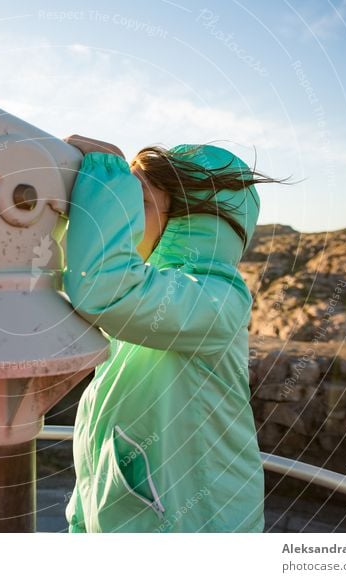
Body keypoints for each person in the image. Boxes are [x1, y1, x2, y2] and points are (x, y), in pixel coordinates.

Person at [61, 135, 286, 533]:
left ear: (188, 222)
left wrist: (106, 180)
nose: (126, 212)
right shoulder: (151, 296)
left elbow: (101, 287)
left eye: (139, 202)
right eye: (124, 200)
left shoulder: (217, 300)